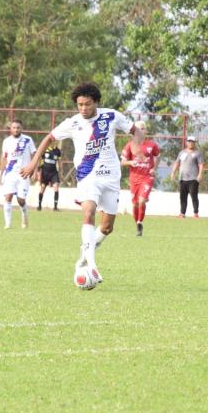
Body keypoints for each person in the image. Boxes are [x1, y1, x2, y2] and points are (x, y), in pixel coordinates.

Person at [21, 82, 135, 284]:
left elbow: (134, 130)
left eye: (87, 104)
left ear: (96, 102)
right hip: (87, 175)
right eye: (80, 105)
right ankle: (91, 265)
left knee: (107, 228)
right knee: (89, 211)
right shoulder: (72, 123)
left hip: (111, 177)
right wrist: (33, 162)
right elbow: (49, 138)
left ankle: (83, 257)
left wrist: (138, 145)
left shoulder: (111, 116)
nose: (83, 109)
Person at [121, 120, 159, 236]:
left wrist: (154, 168)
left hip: (147, 177)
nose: (140, 131)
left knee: (142, 200)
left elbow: (157, 156)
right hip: (134, 179)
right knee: (135, 204)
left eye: (142, 128)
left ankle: (139, 221)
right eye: (138, 129)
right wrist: (131, 162)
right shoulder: (130, 145)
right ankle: (137, 225)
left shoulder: (152, 145)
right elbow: (122, 162)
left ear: (146, 131)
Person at [0, 119, 36, 229]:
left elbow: (35, 155)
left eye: (18, 127)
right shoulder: (6, 141)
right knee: (8, 197)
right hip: (10, 173)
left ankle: (24, 213)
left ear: (21, 128)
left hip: (23, 174)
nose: (16, 129)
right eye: (14, 127)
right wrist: (1, 175)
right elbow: (4, 158)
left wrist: (35, 170)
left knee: (21, 200)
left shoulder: (27, 140)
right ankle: (8, 224)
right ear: (11, 129)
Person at [170, 136, 204, 218]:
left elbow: (201, 165)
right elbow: (177, 163)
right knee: (182, 197)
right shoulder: (182, 153)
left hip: (193, 178)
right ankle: (182, 213)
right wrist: (173, 173)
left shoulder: (197, 153)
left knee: (194, 196)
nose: (190, 143)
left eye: (192, 141)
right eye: (189, 141)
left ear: (194, 143)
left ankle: (196, 213)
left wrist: (200, 174)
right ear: (187, 142)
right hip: (182, 178)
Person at [37, 144, 62, 211]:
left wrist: (60, 171)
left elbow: (59, 162)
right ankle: (39, 205)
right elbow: (40, 159)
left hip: (54, 172)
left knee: (56, 187)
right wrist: (39, 171)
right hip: (45, 173)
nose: (53, 142)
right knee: (42, 188)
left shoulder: (57, 151)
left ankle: (55, 207)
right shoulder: (45, 149)